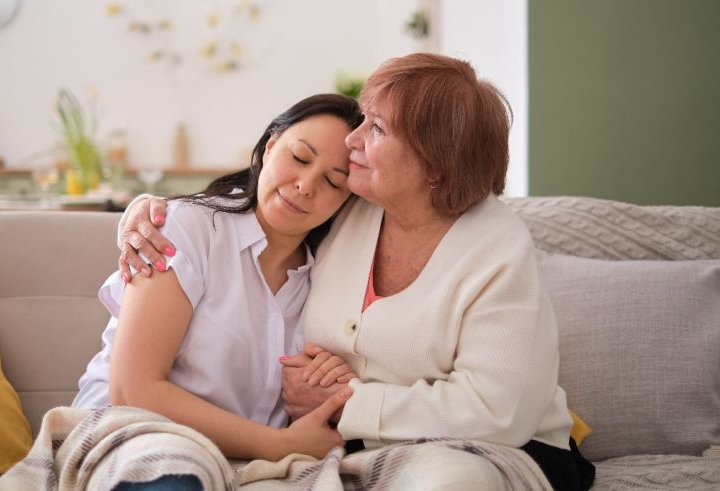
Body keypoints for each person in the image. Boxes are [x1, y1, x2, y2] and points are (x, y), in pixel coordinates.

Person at [118, 53, 595, 490]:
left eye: (378, 130)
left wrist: (348, 401)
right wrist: (146, 211)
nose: (353, 141)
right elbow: (262, 204)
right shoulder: (350, 206)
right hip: (355, 446)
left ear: (435, 162)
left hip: (483, 446)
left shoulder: (496, 245)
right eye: (363, 120)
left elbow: (498, 410)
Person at [72, 93, 365, 468]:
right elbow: (132, 388)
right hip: (131, 440)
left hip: (236, 462)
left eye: (332, 182)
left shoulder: (327, 281)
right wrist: (278, 444)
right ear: (271, 146)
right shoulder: (187, 228)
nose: (306, 186)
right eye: (299, 158)